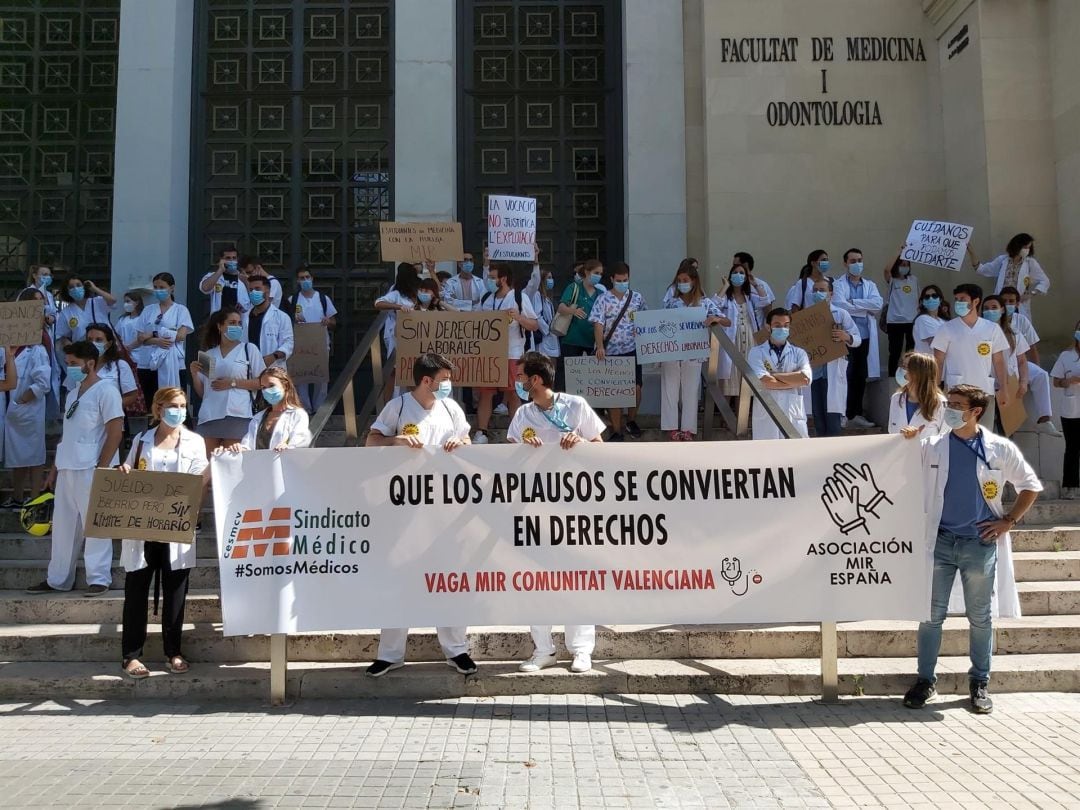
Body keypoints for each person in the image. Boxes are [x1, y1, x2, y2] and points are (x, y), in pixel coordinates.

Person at [901, 384, 1042, 714]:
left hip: (979, 544)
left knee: (980, 618)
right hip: (940, 542)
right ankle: (925, 681)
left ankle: (979, 682)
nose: (949, 409)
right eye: (949, 403)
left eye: (957, 405)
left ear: (975, 411)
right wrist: (906, 439)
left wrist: (1009, 520)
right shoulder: (933, 446)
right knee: (930, 616)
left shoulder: (997, 448)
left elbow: (1030, 486)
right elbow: (901, 461)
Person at [363, 353, 476, 677]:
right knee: (399, 576)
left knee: (450, 579)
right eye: (443, 379)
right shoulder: (398, 407)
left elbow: (466, 437)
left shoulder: (451, 408)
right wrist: (397, 440)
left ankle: (457, 650)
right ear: (426, 381)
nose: (447, 385)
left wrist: (461, 440)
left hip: (446, 506)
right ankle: (391, 653)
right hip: (403, 509)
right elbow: (372, 441)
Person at [507, 352, 605, 673]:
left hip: (576, 505)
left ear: (536, 380)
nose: (517, 382)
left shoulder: (576, 405)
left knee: (578, 577)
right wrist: (523, 445)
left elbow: (601, 449)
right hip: (535, 508)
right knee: (535, 578)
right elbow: (506, 459)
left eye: (521, 376)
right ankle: (543, 649)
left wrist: (580, 442)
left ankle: (580, 650)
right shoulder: (523, 414)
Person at [118, 387, 209, 678]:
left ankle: (174, 652)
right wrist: (124, 471)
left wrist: (217, 463)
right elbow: (129, 469)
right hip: (143, 526)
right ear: (158, 408)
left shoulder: (195, 441)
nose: (178, 411)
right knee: (136, 589)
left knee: (175, 591)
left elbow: (200, 478)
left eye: (182, 406)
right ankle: (131, 655)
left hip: (176, 524)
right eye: (172, 405)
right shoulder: (142, 441)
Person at [26, 341, 124, 596]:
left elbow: (115, 432)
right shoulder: (72, 393)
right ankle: (57, 578)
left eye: (73, 364)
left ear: (90, 363)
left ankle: (99, 578)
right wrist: (53, 471)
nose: (70, 368)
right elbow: (67, 435)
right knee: (63, 527)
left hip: (92, 467)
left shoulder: (107, 390)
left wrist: (103, 467)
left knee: (95, 525)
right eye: (68, 363)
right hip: (68, 466)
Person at [473, 264, 539, 444]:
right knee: (485, 394)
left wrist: (518, 317)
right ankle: (482, 432)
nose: (490, 281)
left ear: (503, 279)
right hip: (489, 355)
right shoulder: (486, 298)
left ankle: (516, 433)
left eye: (493, 277)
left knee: (513, 394)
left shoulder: (519, 298)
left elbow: (534, 325)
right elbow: (475, 322)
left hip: (513, 354)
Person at [189, 307, 266, 456]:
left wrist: (233, 383)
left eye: (239, 323)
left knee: (232, 462)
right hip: (209, 416)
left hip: (237, 414)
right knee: (208, 464)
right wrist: (194, 374)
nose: (236, 327)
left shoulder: (249, 349)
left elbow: (262, 382)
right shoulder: (208, 355)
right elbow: (203, 392)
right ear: (220, 326)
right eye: (232, 323)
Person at [661, 264, 725, 441]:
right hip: (671, 352)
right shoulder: (671, 302)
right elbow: (658, 324)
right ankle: (672, 428)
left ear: (694, 281)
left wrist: (715, 318)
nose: (682, 283)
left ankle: (688, 429)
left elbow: (726, 321)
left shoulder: (704, 302)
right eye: (679, 281)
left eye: (685, 280)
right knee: (669, 390)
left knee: (691, 391)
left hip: (694, 352)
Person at [932, 283, 1010, 425]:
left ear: (975, 301)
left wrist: (1004, 388)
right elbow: (938, 361)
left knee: (984, 436)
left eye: (963, 299)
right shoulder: (946, 329)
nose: (958, 303)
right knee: (956, 433)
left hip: (984, 392)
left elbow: (998, 361)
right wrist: (935, 389)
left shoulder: (992, 329)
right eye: (956, 299)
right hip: (956, 392)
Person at [3, 289, 51, 509]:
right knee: (15, 456)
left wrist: (21, 401)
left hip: (28, 409)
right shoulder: (6, 346)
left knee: (34, 453)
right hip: (8, 410)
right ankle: (17, 496)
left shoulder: (37, 348)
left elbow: (42, 383)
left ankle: (34, 496)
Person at [590, 262, 646, 441]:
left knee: (636, 388)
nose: (623, 283)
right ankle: (616, 430)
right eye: (619, 280)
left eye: (626, 280)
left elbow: (645, 319)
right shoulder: (603, 299)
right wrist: (600, 346)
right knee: (614, 392)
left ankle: (631, 421)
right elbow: (598, 324)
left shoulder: (637, 298)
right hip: (611, 352)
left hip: (632, 349)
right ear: (612, 279)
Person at [998, 286, 1060, 436]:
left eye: (1011, 301)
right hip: (998, 369)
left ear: (1018, 304)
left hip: (1018, 364)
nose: (1008, 304)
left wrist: (1034, 370)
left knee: (1041, 375)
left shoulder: (1021, 320)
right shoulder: (992, 321)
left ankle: (1044, 420)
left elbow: (1032, 347)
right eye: (1004, 301)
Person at [831, 248, 882, 428]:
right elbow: (839, 305)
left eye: (859, 260)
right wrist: (863, 306)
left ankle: (856, 414)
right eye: (852, 261)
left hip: (865, 336)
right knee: (845, 374)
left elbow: (877, 305)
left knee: (860, 376)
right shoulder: (837, 284)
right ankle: (843, 414)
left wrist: (853, 302)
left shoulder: (870, 285)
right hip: (845, 336)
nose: (857, 264)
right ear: (845, 263)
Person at [747, 308, 812, 440]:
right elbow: (764, 382)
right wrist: (792, 381)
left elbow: (805, 379)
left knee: (796, 454)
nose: (782, 329)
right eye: (777, 325)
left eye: (785, 326)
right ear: (768, 326)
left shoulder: (799, 353)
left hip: (792, 412)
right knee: (767, 457)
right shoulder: (756, 352)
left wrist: (775, 376)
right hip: (767, 413)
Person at [807, 277, 859, 438]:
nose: (818, 293)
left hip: (833, 371)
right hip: (814, 372)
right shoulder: (806, 318)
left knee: (833, 420)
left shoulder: (841, 314)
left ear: (831, 293)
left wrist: (846, 336)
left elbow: (856, 339)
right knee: (818, 417)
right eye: (815, 291)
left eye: (822, 290)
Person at [286, 266, 338, 412]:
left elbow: (334, 322)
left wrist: (328, 321)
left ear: (312, 279)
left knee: (321, 378)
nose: (305, 280)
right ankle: (305, 409)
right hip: (300, 345)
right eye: (302, 278)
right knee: (301, 379)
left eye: (307, 277)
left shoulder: (323, 299)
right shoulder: (293, 300)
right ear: (297, 281)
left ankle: (320, 409)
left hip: (320, 344)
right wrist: (293, 318)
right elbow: (285, 323)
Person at [134, 272, 193, 399]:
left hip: (173, 363)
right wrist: (157, 340)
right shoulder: (148, 310)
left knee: (174, 400)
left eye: (162, 287)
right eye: (155, 287)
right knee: (153, 403)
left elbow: (180, 335)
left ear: (171, 288)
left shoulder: (180, 310)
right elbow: (141, 338)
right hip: (148, 364)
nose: (158, 291)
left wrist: (152, 334)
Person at [228, 368, 313, 451]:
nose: (267, 390)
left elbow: (300, 442)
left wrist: (288, 447)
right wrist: (239, 448)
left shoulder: (298, 414)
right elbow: (248, 444)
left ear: (286, 386)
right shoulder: (258, 417)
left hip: (285, 463)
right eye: (263, 387)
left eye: (271, 385)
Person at [968, 233, 1049, 321]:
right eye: (1025, 247)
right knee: (999, 327)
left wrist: (1031, 294)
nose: (1027, 250)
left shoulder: (1030, 263)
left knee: (1018, 328)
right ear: (1017, 246)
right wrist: (971, 252)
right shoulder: (1002, 260)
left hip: (1017, 304)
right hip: (1001, 302)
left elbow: (1045, 281)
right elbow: (982, 269)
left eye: (1029, 247)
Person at [712, 265, 757, 413]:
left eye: (741, 273)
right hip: (732, 339)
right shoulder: (726, 297)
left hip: (749, 339)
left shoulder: (750, 296)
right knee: (729, 378)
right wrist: (725, 286)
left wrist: (755, 283)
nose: (738, 275)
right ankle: (726, 417)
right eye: (735, 273)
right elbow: (713, 305)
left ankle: (741, 416)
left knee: (745, 379)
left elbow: (765, 301)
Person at [374, 262, 420, 395]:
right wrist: (398, 307)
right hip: (399, 337)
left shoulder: (420, 290)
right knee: (396, 370)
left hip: (418, 337)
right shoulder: (396, 293)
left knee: (415, 370)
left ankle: (414, 402)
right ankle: (391, 404)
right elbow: (378, 303)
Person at [1050, 322, 1080, 499]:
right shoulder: (1066, 356)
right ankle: (1071, 486)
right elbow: (1056, 381)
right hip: (1071, 409)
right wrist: (1068, 382)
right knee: (1072, 448)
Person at [888, 352, 947, 436]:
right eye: (902, 366)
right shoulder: (896, 398)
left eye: (905, 367)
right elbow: (891, 432)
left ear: (919, 373)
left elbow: (944, 439)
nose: (901, 370)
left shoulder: (941, 403)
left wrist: (917, 437)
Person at [85, 323, 140, 412]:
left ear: (109, 344)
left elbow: (132, 396)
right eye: (89, 340)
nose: (93, 343)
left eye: (99, 340)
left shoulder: (120, 366)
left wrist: (110, 407)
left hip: (111, 418)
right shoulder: (79, 366)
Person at [242, 275, 293, 370]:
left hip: (273, 370)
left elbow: (288, 344)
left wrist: (274, 356)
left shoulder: (282, 317)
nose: (253, 293)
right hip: (248, 370)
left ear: (267, 291)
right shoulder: (244, 317)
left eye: (257, 289)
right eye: (251, 290)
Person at [558, 259, 603, 363]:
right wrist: (573, 311)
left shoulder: (601, 294)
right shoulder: (574, 288)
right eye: (596, 273)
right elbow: (561, 307)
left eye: (600, 274)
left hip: (592, 340)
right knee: (570, 375)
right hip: (573, 339)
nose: (599, 276)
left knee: (593, 375)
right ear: (587, 272)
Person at [882, 249, 919, 377]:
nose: (904, 267)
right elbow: (887, 270)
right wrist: (899, 252)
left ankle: (911, 376)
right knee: (895, 352)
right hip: (895, 321)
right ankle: (892, 377)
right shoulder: (892, 280)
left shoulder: (913, 279)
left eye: (906, 265)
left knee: (912, 351)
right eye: (902, 264)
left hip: (912, 321)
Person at [55, 275, 115, 350]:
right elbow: (62, 336)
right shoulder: (66, 312)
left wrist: (95, 288)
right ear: (67, 291)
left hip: (105, 347)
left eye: (78, 285)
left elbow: (113, 300)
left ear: (84, 286)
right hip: (83, 352)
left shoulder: (98, 302)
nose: (75, 289)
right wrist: (72, 349)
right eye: (71, 287)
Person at [115, 292, 152, 392]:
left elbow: (143, 337)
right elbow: (116, 335)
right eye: (125, 302)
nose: (125, 304)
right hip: (124, 356)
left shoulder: (143, 318)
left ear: (137, 302)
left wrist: (129, 347)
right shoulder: (123, 319)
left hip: (138, 357)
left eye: (128, 301)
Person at [200, 245, 250, 315]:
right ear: (221, 260)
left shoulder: (243, 278)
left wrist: (246, 283)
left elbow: (252, 302)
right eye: (228, 258)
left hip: (238, 320)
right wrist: (220, 270)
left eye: (234, 258)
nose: (232, 260)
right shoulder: (214, 276)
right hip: (219, 319)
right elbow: (205, 288)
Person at [732, 252, 775, 326]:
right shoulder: (731, 286)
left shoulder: (762, 285)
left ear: (745, 265)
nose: (733, 268)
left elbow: (768, 313)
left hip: (755, 331)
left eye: (735, 265)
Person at [912, 284, 950, 355]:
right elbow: (935, 344)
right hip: (927, 364)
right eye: (927, 297)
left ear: (940, 299)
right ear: (923, 301)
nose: (931, 299)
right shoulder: (922, 319)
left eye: (934, 296)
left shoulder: (943, 321)